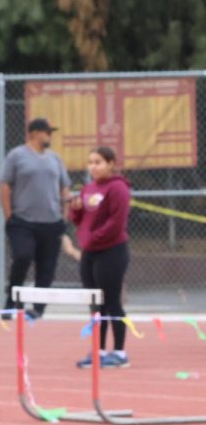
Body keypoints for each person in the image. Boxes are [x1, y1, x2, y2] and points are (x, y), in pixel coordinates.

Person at [0, 118, 72, 319]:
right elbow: (5, 186)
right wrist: (9, 216)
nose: (49, 136)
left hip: (51, 222)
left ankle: (38, 308)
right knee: (22, 256)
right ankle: (11, 301)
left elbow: (64, 187)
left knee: (47, 266)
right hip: (23, 221)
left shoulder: (55, 159)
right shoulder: (17, 156)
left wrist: (64, 215)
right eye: (46, 132)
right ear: (34, 133)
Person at [70, 146, 132, 368]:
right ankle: (99, 350)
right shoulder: (88, 188)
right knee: (96, 304)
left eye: (98, 162)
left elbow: (116, 223)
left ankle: (120, 352)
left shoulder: (118, 188)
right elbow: (81, 220)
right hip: (90, 253)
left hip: (111, 251)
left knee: (112, 302)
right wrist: (76, 210)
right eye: (91, 162)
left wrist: (94, 238)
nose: (93, 167)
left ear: (111, 164)